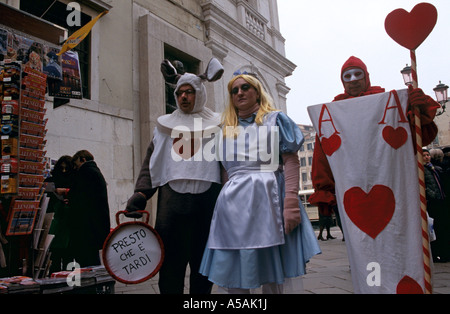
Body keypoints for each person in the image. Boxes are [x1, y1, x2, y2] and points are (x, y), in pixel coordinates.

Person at [199, 73, 320, 294]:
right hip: (233, 207)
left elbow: (290, 159)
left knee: (272, 269)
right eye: (234, 90)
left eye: (245, 87)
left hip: (269, 199)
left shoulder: (275, 119)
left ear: (257, 91)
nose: (240, 93)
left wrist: (291, 201)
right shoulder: (224, 128)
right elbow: (226, 171)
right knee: (233, 268)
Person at [125, 59, 224, 294]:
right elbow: (153, 160)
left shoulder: (219, 125)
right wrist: (141, 193)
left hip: (206, 205)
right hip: (172, 205)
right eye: (180, 93)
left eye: (189, 92)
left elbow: (229, 162)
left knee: (203, 269)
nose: (184, 97)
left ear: (199, 93)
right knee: (170, 268)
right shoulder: (164, 127)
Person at [309, 56, 439, 234]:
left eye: (357, 74)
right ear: (342, 81)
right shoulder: (332, 113)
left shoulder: (388, 102)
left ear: (366, 76)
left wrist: (417, 109)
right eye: (347, 76)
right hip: (353, 184)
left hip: (392, 179)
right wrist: (324, 189)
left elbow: (418, 136)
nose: (353, 80)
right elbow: (322, 154)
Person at [66, 150, 111, 268]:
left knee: (86, 258)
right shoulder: (95, 172)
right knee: (91, 256)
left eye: (76, 164)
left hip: (86, 225)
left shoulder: (86, 172)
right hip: (95, 224)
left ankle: (90, 284)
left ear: (83, 159)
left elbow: (80, 196)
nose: (75, 168)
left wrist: (68, 194)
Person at [45, 155, 74, 273]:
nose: (63, 171)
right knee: (56, 256)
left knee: (67, 256)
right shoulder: (52, 181)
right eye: (61, 168)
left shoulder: (74, 181)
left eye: (66, 168)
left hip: (66, 222)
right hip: (57, 221)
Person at [423, 148, 450, 262]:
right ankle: (436, 253)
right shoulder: (422, 170)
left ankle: (444, 253)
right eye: (424, 155)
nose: (426, 157)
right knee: (435, 229)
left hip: (441, 200)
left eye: (428, 155)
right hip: (433, 202)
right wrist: (432, 194)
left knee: (443, 228)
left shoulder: (434, 168)